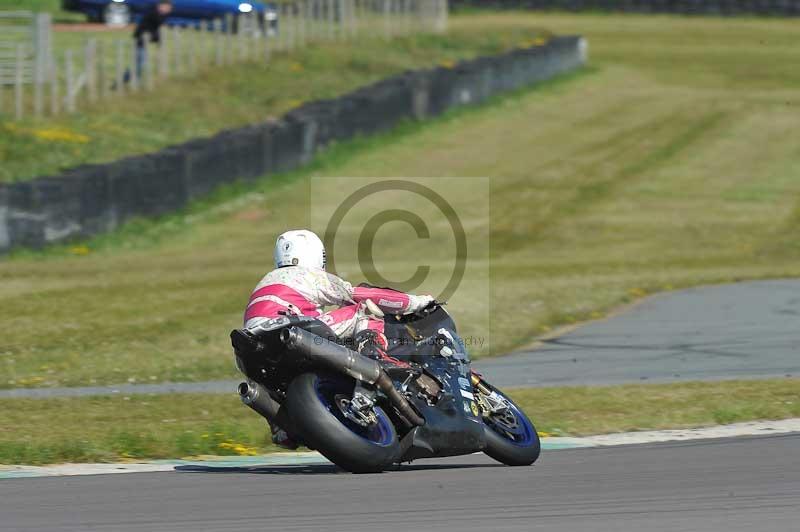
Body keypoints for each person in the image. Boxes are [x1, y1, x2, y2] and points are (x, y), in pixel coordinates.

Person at [244, 229, 434, 447]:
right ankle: (375, 355)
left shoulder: (265, 282)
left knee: (267, 380)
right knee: (365, 309)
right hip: (292, 331)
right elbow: (360, 295)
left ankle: (280, 428)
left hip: (251, 349)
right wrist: (415, 302)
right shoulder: (306, 275)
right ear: (316, 255)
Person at [130, 0, 173, 81]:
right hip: (140, 40)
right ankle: (131, 80)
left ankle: (131, 80)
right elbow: (157, 30)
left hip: (144, 40)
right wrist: (159, 40)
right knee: (140, 63)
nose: (169, 10)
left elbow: (158, 32)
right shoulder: (155, 14)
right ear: (161, 6)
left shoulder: (158, 14)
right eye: (168, 8)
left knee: (141, 62)